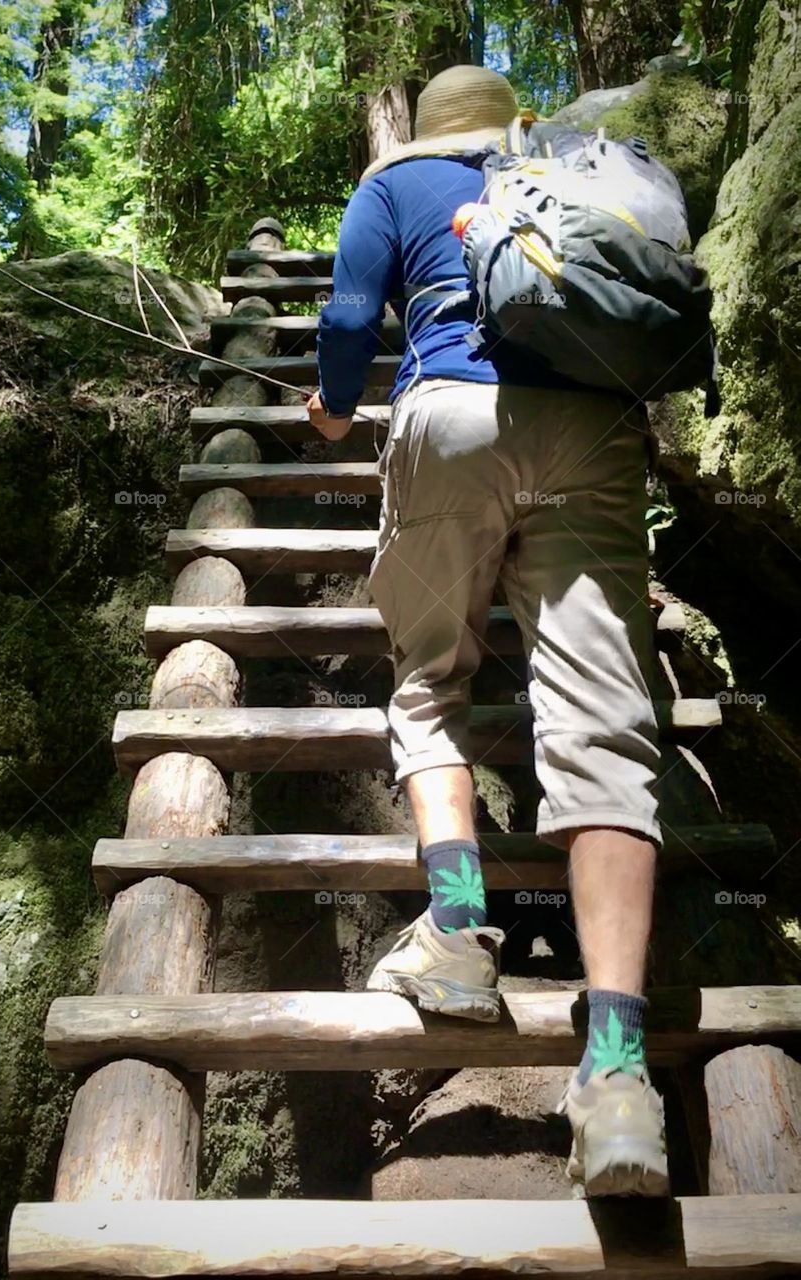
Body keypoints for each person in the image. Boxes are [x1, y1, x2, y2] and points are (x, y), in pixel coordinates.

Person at [307, 64, 668, 1197]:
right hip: (597, 428)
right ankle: (617, 1080)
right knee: (607, 730)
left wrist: (328, 408)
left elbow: (351, 319)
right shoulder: (558, 172)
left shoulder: (394, 187)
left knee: (428, 681)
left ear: (421, 132)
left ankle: (460, 934)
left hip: (452, 419)